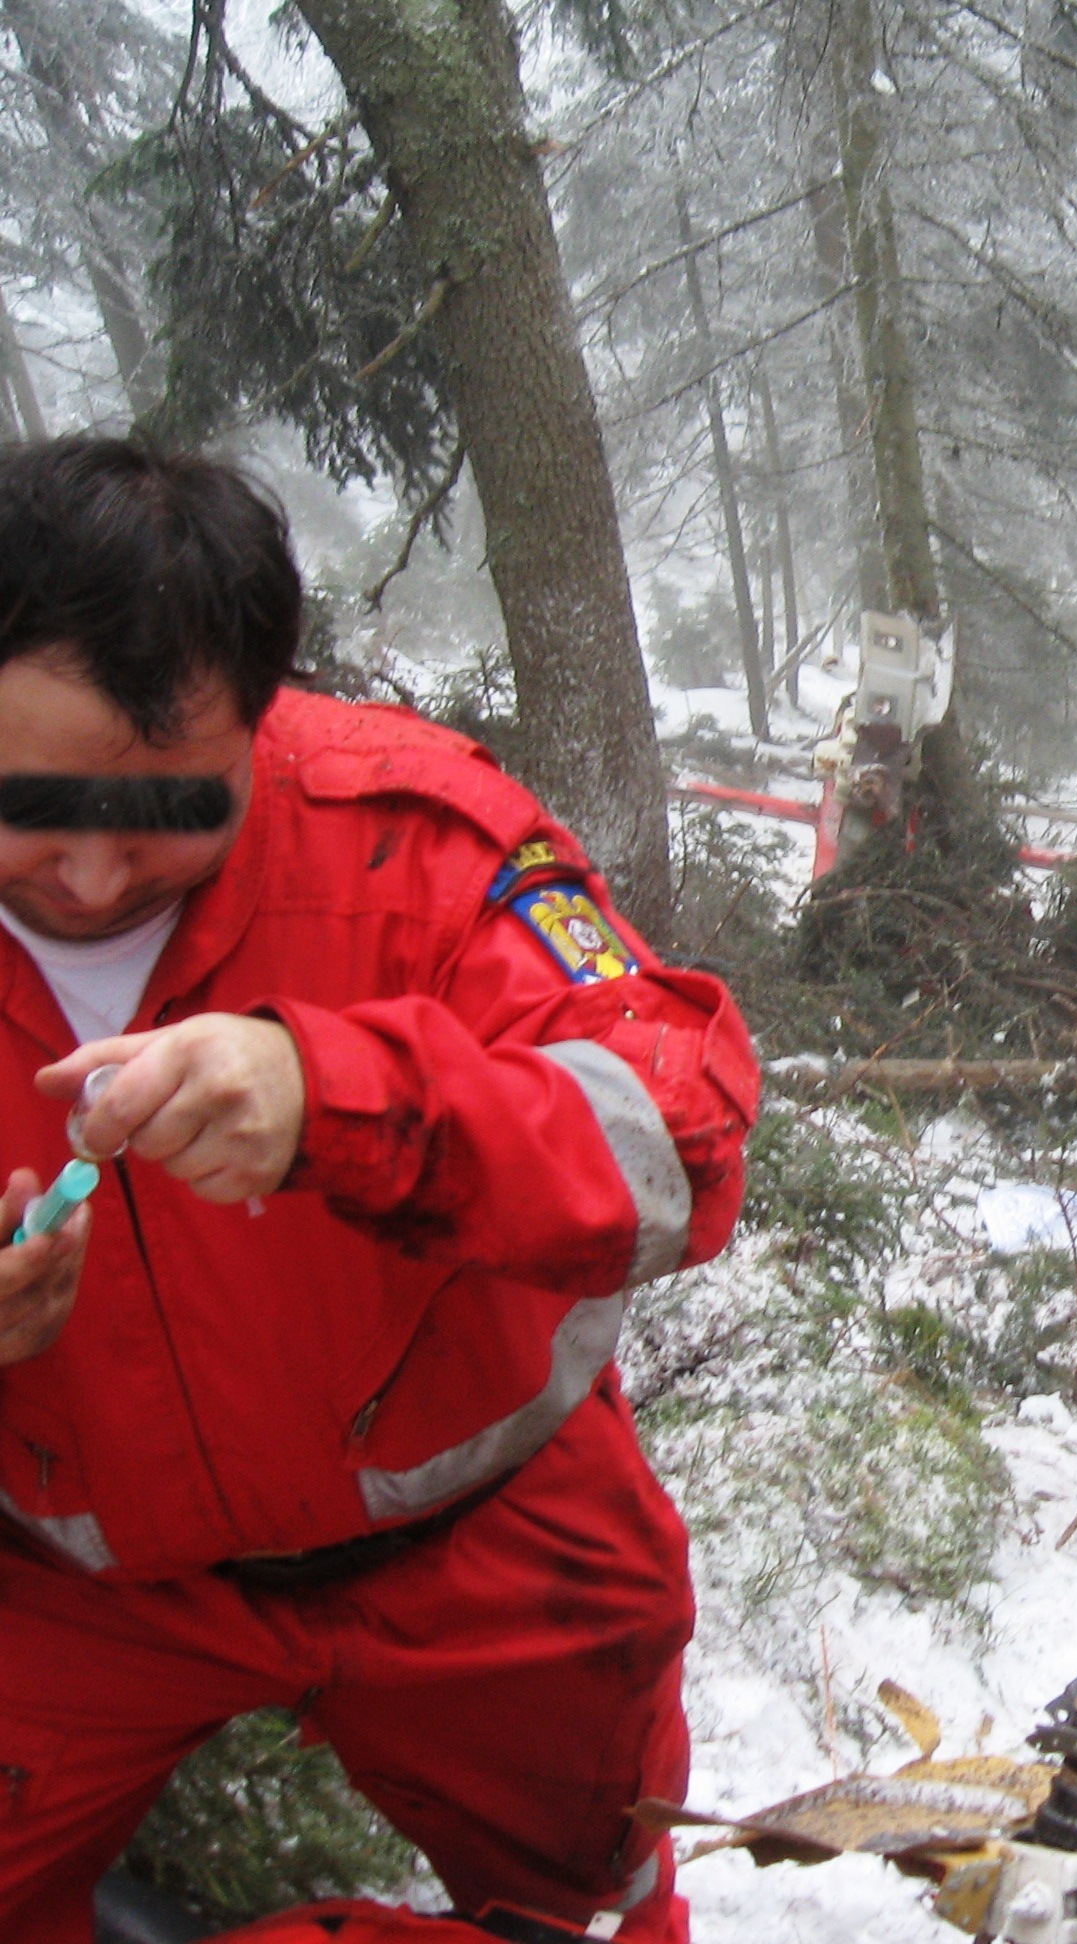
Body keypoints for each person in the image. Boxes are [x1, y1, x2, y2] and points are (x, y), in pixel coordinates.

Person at [0, 437, 758, 1942]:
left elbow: (682, 1137)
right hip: (79, 1571)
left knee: (587, 1919)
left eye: (168, 811)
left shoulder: (410, 832)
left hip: (487, 1543)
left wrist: (354, 1103)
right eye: (29, 801)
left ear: (259, 726)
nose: (88, 875)